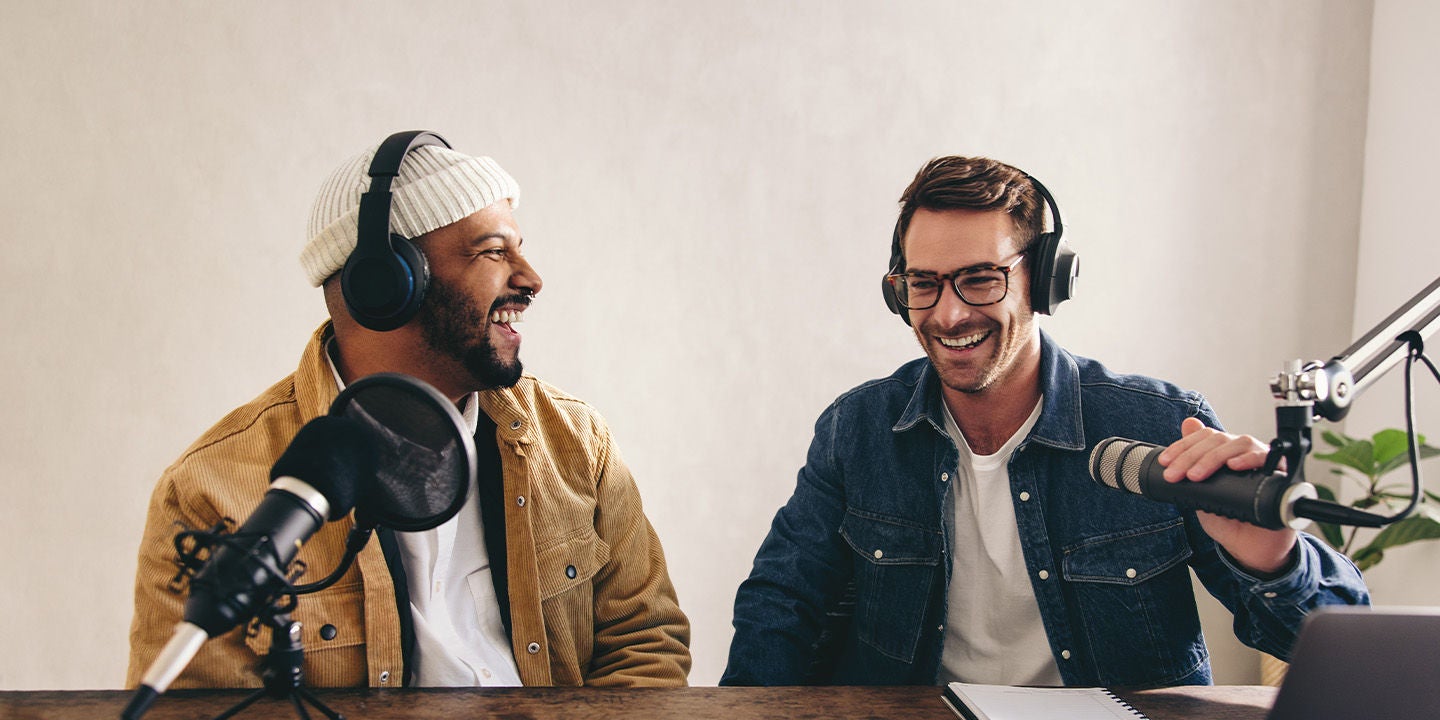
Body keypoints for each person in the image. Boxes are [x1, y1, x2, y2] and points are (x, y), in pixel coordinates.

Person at [721, 156, 1368, 688]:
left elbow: (1343, 655)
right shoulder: (855, 430)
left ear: (1046, 280)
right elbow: (780, 603)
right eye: (924, 284)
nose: (947, 316)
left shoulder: (1165, 429)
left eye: (980, 279)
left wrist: (1273, 564)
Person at [127, 131, 690, 689]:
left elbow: (645, 644)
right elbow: (194, 707)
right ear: (387, 283)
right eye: (493, 251)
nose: (530, 278)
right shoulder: (211, 488)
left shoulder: (576, 441)